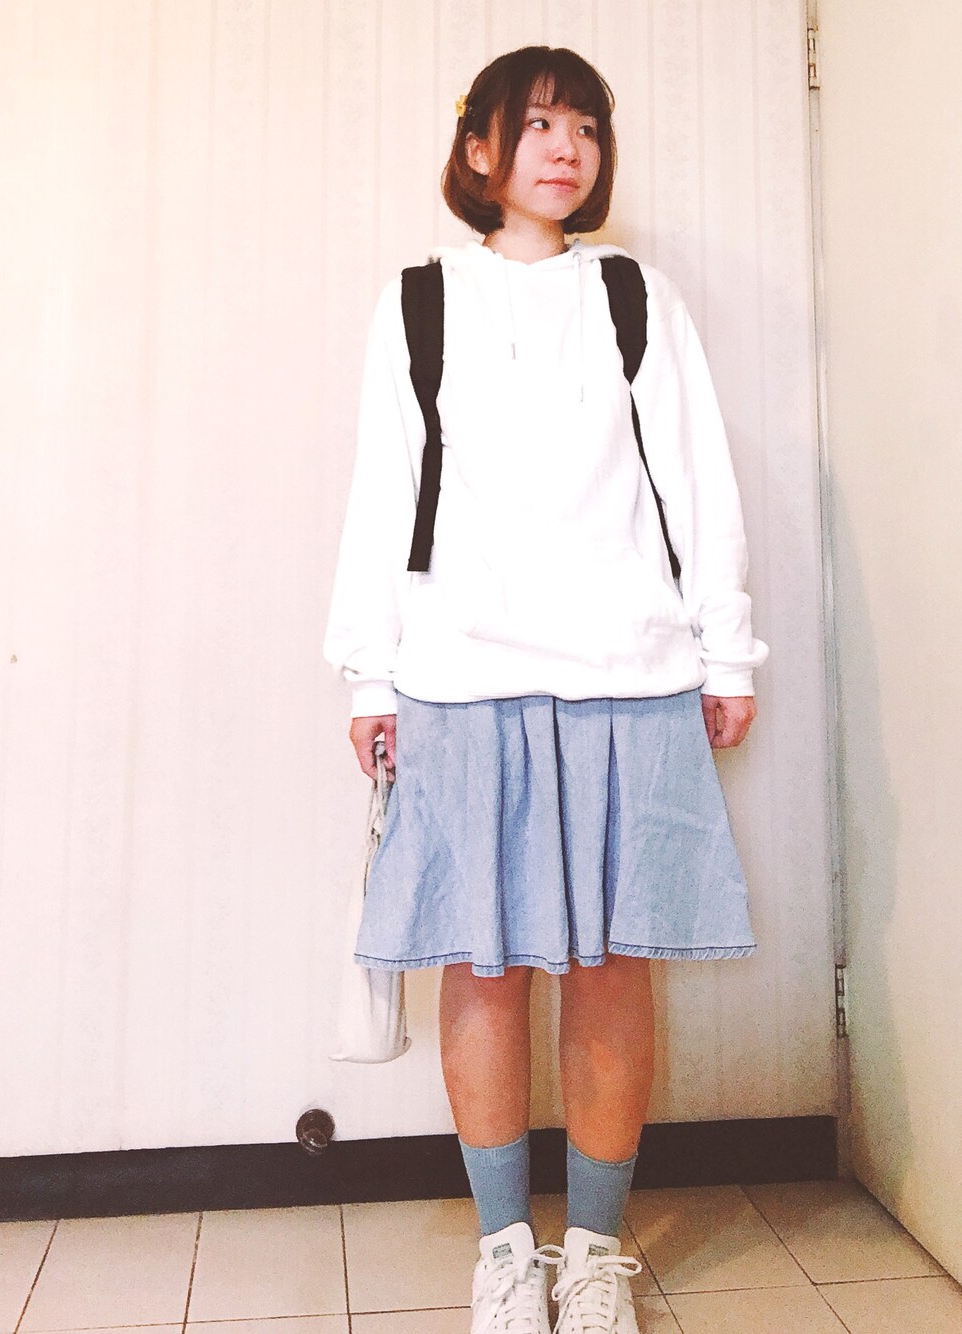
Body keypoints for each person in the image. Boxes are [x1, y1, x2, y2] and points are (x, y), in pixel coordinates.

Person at [323, 44, 767, 1334]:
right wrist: (371, 672)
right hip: (462, 677)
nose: (565, 148)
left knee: (613, 965)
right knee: (486, 966)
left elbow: (698, 480)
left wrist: (726, 652)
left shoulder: (634, 295)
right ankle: (506, 1252)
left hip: (630, 675)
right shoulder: (418, 302)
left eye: (584, 127)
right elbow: (381, 496)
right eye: (536, 126)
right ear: (480, 150)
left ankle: (598, 1253)